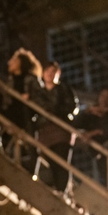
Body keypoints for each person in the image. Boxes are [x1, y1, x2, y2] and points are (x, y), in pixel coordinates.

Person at [32, 61, 79, 193]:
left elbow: (72, 107)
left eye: (53, 71)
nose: (50, 74)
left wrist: (55, 111)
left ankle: (62, 190)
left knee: (62, 161)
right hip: (44, 131)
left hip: (61, 129)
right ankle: (58, 189)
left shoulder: (63, 89)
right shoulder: (38, 92)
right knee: (51, 162)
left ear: (58, 74)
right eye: (47, 71)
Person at [73, 88, 108, 195]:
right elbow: (75, 124)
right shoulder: (92, 116)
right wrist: (87, 111)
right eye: (102, 96)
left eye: (107, 97)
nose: (104, 99)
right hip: (101, 154)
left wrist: (97, 132)